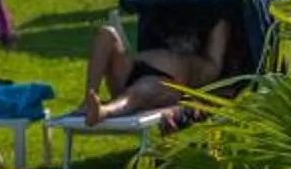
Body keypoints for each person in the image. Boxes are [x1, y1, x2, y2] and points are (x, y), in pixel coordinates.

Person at [81, 9, 232, 124]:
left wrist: (221, 10)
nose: (182, 41)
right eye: (179, 37)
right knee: (107, 33)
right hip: (130, 71)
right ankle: (88, 99)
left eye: (188, 38)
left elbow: (220, 28)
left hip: (163, 83)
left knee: (139, 91)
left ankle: (102, 112)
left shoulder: (206, 64)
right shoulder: (159, 46)